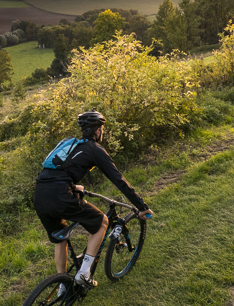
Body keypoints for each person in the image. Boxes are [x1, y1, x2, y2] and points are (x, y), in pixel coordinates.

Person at [33, 110, 154, 289]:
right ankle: (84, 273)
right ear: (98, 130)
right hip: (61, 195)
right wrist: (141, 206)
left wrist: (72, 186)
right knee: (102, 222)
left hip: (39, 194)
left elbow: (54, 170)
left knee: (60, 239)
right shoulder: (94, 149)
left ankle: (62, 285)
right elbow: (118, 180)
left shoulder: (67, 142)